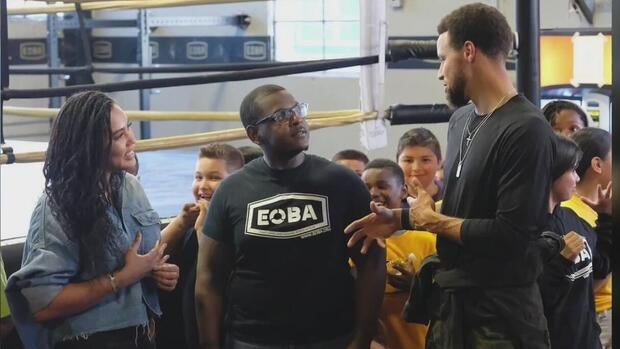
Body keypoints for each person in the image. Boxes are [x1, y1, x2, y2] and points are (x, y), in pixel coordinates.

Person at [345, 4, 555, 348]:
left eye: (443, 58)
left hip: (501, 316)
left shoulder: (526, 129)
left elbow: (513, 235)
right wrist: (401, 218)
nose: (440, 73)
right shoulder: (461, 120)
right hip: (451, 309)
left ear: (469, 51)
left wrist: (430, 222)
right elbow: (465, 210)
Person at [195, 84, 385, 349]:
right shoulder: (231, 191)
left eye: (298, 109)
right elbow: (209, 280)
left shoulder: (342, 183)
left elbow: (372, 262)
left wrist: (362, 338)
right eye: (282, 116)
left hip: (332, 338)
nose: (297, 119)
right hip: (252, 340)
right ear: (255, 134)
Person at [5, 91, 197, 349]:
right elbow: (43, 305)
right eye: (119, 136)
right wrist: (121, 278)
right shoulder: (56, 206)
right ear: (91, 146)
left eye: (128, 128)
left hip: (142, 335)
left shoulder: (131, 188)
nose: (132, 140)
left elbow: (139, 259)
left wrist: (155, 272)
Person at [157, 143, 244, 349]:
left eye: (214, 178)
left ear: (236, 183)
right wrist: (180, 223)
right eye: (198, 177)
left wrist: (202, 232)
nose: (203, 185)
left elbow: (217, 276)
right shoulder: (189, 223)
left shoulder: (237, 229)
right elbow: (153, 254)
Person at [538, 134, 611, 349]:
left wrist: (607, 218)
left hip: (587, 339)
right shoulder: (526, 230)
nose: (578, 178)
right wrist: (559, 262)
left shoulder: (572, 219)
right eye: (572, 170)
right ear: (552, 174)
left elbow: (601, 267)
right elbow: (527, 300)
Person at [361, 159, 436, 349]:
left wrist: (417, 287)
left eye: (382, 186)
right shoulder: (357, 243)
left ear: (403, 191)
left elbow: (445, 299)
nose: (373, 193)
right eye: (366, 187)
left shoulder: (427, 240)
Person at [564, 128, 612, 349]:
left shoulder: (607, 208)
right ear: (597, 165)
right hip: (601, 315)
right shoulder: (570, 214)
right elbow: (587, 282)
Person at [396, 128, 444, 202]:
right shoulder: (390, 200)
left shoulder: (451, 196)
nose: (416, 168)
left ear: (439, 163)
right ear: (397, 164)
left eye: (425, 160)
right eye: (408, 160)